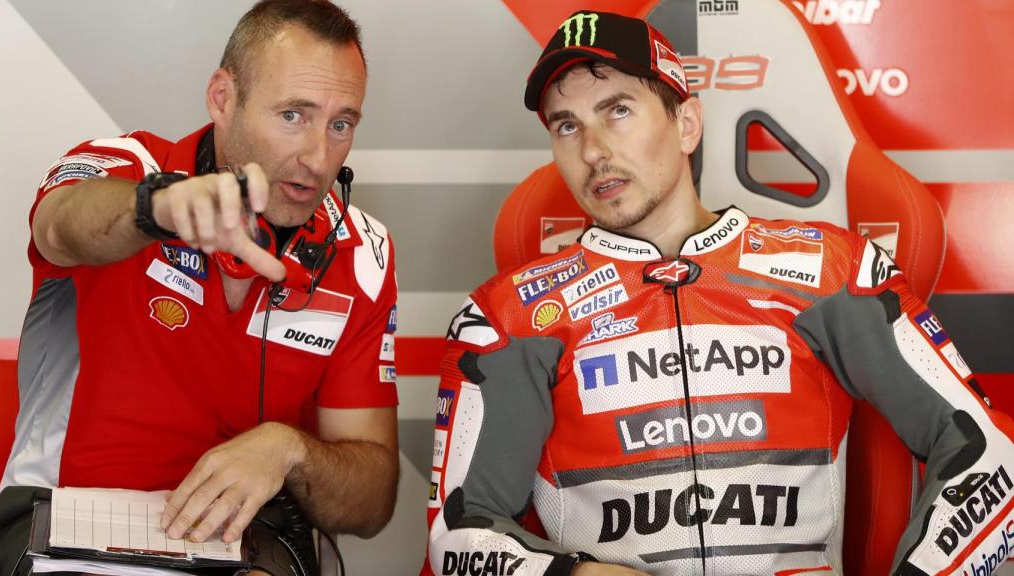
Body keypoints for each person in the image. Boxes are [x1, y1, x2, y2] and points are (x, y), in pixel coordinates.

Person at [423, 10, 1014, 576]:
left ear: (686, 125)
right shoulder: (508, 316)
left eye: (618, 110)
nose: (594, 150)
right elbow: (459, 534)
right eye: (567, 125)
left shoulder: (832, 269)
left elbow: (994, 459)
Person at [0, 2, 399, 575]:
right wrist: (154, 208)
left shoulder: (365, 252)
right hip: (67, 530)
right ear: (222, 97)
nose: (317, 157)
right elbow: (59, 228)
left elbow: (370, 504)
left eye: (341, 124)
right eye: (292, 115)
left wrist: (289, 449)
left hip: (245, 545)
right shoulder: (124, 165)